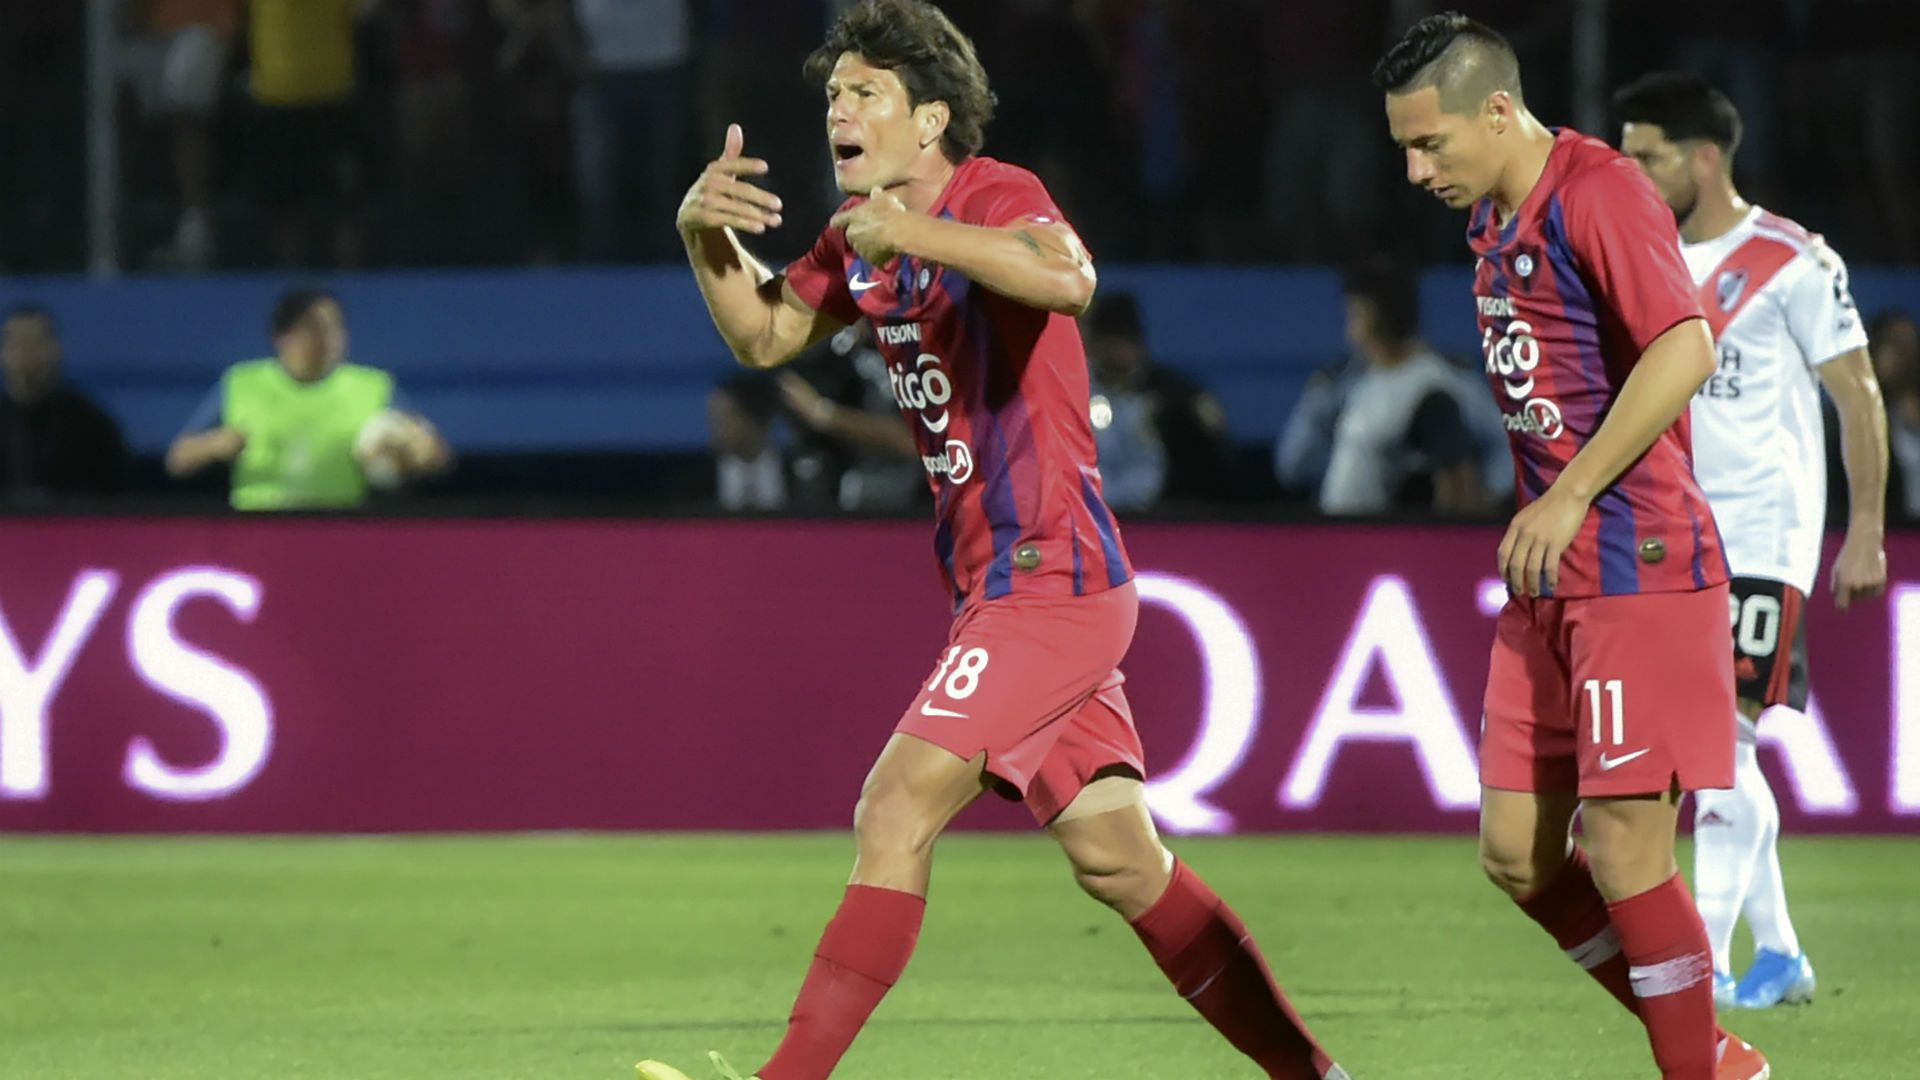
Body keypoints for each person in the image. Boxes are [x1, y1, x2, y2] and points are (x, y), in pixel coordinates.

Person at [640, 3, 1347, 1080]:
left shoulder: (993, 195)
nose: (839, 110)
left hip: (1053, 578)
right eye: (833, 95)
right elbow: (767, 333)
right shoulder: (861, 234)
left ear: (929, 120)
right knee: (1121, 862)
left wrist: (913, 233)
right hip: (994, 587)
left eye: (864, 93)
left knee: (894, 805)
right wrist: (704, 234)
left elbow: (1069, 279)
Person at [1373, 14, 1766, 1080]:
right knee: (1516, 856)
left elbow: (1685, 344)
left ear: (1498, 110)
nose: (1415, 170)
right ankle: (1713, 1056)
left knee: (1627, 845)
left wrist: (1569, 495)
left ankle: (1698, 1069)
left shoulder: (1597, 191)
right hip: (1552, 578)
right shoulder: (1494, 214)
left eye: (1432, 144)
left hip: (1637, 563)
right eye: (1404, 148)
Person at [1615, 71, 1889, 1010]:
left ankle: (1712, 969)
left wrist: (1867, 530)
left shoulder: (1791, 262)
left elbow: (1858, 394)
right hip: (1670, 536)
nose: (1633, 173)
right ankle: (1778, 955)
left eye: (1647, 157)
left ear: (1703, 157)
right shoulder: (1639, 259)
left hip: (1764, 536)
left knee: (1720, 744)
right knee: (1715, 752)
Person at [166, 287, 450, 508]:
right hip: (256, 531)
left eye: (336, 328)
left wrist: (416, 451)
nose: (329, 338)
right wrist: (214, 445)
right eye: (315, 327)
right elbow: (178, 460)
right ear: (283, 337)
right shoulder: (241, 383)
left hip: (336, 531)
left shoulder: (373, 386)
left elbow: (437, 455)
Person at [1317, 258, 1486, 516]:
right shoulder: (1366, 380)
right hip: (1343, 537)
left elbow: (1455, 479)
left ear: (1378, 315)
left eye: (1355, 312)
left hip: (1384, 543)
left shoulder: (1427, 388)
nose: (1349, 325)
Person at [0, 304, 132, 501]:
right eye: (15, 344)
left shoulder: (93, 426)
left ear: (55, 349)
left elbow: (124, 503)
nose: (24, 355)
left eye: (34, 343)